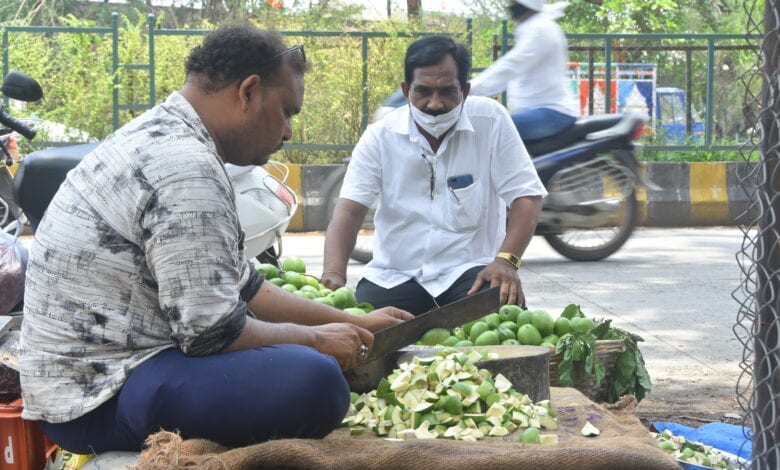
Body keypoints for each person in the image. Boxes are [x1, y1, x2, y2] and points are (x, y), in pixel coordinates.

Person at [18, 24, 412, 454]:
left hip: (109, 375)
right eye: (287, 112)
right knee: (316, 380)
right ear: (248, 92)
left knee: (307, 365)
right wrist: (319, 340)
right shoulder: (185, 166)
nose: (288, 133)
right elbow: (210, 333)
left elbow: (244, 284)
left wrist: (353, 323)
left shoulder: (165, 133)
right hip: (97, 398)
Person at [321, 35, 547, 316]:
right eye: (423, 91)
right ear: (406, 91)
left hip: (469, 272)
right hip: (394, 275)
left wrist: (506, 261)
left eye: (447, 92)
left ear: (465, 91)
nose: (435, 104)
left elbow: (527, 196)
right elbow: (349, 211)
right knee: (362, 336)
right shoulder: (380, 136)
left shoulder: (491, 120)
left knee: (502, 309)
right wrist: (333, 275)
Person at [469, 0, 580, 142]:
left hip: (552, 112)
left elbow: (510, 66)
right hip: (538, 111)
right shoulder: (534, 27)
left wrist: (469, 89)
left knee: (490, 128)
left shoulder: (541, 30)